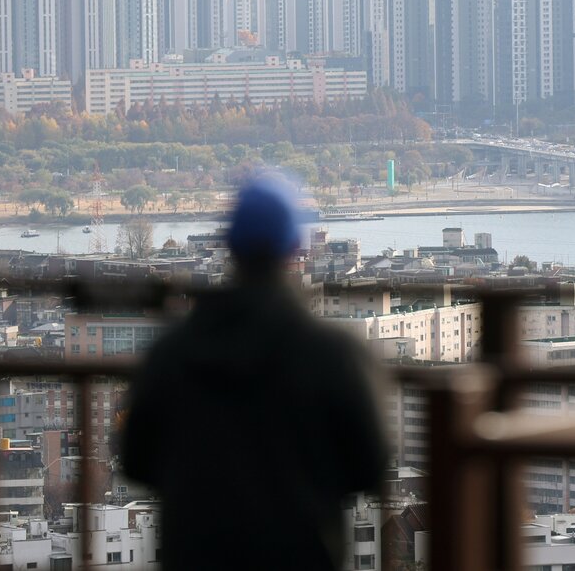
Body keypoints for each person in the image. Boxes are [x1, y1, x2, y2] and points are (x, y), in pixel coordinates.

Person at [121, 174, 388, 570]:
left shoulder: (172, 353)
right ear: (296, 247)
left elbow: (136, 460)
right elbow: (370, 466)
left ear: (230, 247)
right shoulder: (334, 354)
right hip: (302, 554)